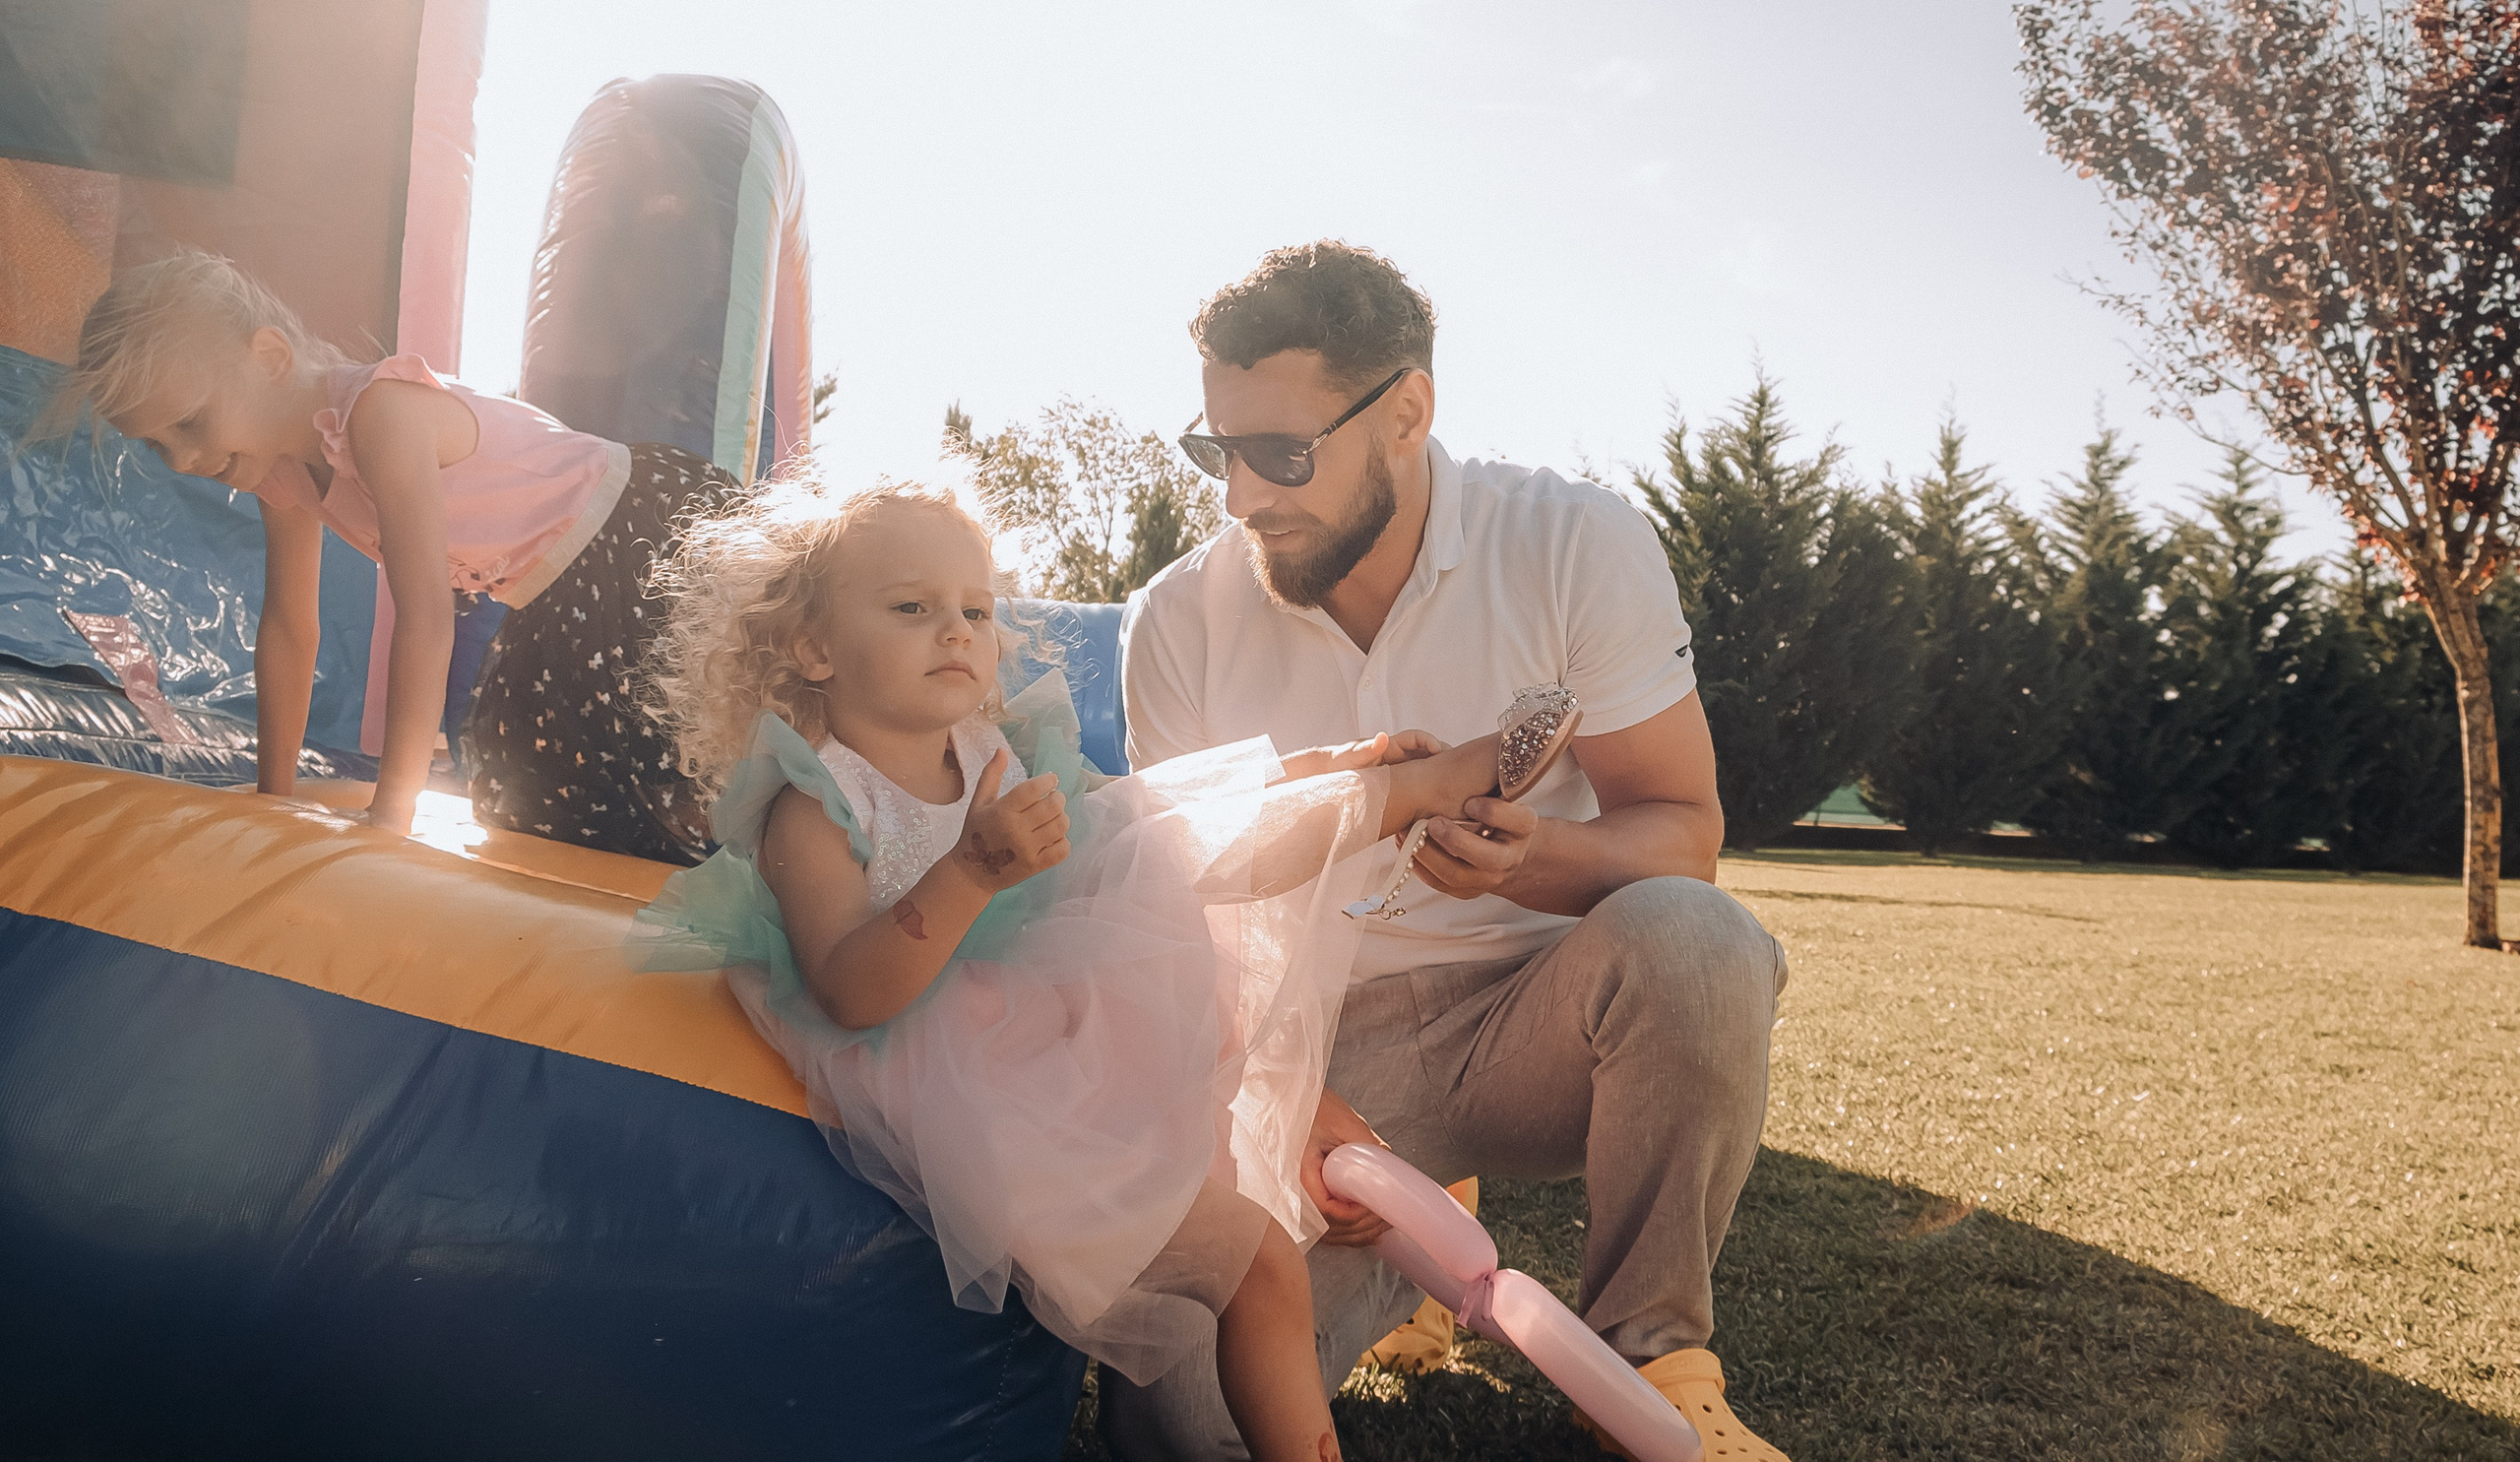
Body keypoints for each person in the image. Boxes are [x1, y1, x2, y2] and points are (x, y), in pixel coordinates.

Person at [632, 473, 1569, 1462]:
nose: (955, 631)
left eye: (975, 611)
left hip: (1059, 1038)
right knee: (1257, 1262)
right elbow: (853, 991)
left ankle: (1399, 783)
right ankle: (1415, 786)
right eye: (912, 609)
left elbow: (1153, 810)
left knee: (1160, 836)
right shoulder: (815, 807)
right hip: (984, 1096)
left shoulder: (988, 749)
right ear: (813, 646)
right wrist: (972, 870)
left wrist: (1323, 764)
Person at [1112, 241, 1794, 1461]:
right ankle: (1424, 1251)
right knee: (1182, 1422)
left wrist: (1531, 863)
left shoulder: (1575, 543)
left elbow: (1682, 834)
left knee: (1700, 944)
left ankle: (1657, 1360)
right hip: (1315, 1052)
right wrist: (1300, 1107)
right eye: (1215, 451)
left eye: (1280, 454)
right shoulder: (1173, 617)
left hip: (1537, 1020)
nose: (1240, 499)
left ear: (1406, 413)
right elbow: (1177, 914)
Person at [57, 249, 730, 859]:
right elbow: (291, 627)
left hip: (638, 535)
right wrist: (274, 795)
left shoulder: (379, 416)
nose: (183, 460)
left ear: (269, 357)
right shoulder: (279, 475)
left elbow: (427, 618)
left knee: (662, 743)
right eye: (156, 444)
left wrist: (391, 814)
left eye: (189, 423)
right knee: (520, 769)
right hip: (554, 589)